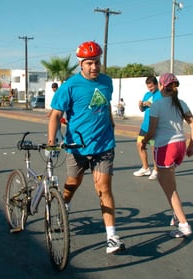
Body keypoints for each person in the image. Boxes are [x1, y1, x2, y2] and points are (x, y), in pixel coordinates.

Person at [47, 41, 125, 254]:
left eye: (97, 62)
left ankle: (112, 237)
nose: (94, 67)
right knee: (73, 183)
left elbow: (106, 103)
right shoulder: (70, 86)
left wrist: (111, 121)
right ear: (81, 64)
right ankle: (63, 208)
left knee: (104, 189)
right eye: (89, 63)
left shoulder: (107, 82)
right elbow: (55, 115)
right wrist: (52, 142)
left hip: (104, 145)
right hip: (77, 147)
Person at [142, 73, 193, 238]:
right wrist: (191, 147)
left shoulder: (157, 105)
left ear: (161, 86)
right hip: (180, 146)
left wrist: (144, 141)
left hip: (165, 147)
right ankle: (177, 213)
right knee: (170, 183)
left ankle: (183, 224)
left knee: (170, 190)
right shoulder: (181, 104)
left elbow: (152, 131)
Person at [133, 76, 163, 180]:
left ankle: (156, 170)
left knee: (154, 148)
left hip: (155, 126)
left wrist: (151, 105)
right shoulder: (147, 94)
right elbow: (142, 110)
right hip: (145, 125)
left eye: (151, 87)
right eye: (148, 87)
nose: (149, 89)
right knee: (140, 144)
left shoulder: (161, 95)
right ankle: (145, 168)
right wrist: (141, 105)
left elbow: (162, 109)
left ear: (156, 84)